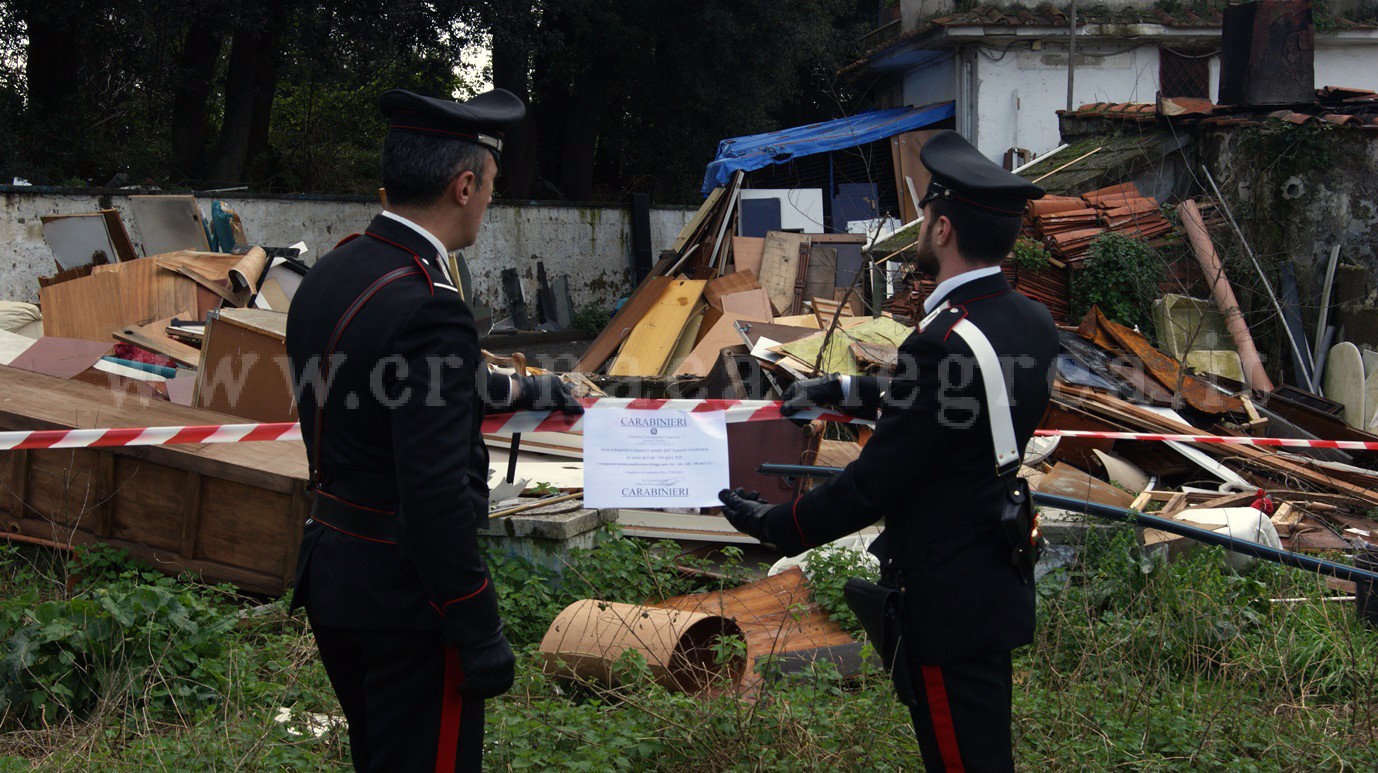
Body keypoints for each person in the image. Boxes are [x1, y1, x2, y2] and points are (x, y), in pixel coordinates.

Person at [719, 130, 1057, 772]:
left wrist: (778, 525)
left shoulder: (942, 340)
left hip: (945, 592)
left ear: (945, 229)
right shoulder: (1028, 323)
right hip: (992, 573)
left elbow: (876, 481)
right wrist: (845, 390)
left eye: (925, 216)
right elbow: (952, 410)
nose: (920, 226)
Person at [285, 88, 581, 772]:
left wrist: (526, 388)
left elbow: (387, 386)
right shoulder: (428, 305)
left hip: (334, 575)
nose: (487, 203)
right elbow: (436, 494)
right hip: (407, 603)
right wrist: (476, 623)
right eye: (491, 188)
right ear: (464, 183)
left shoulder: (336, 271)